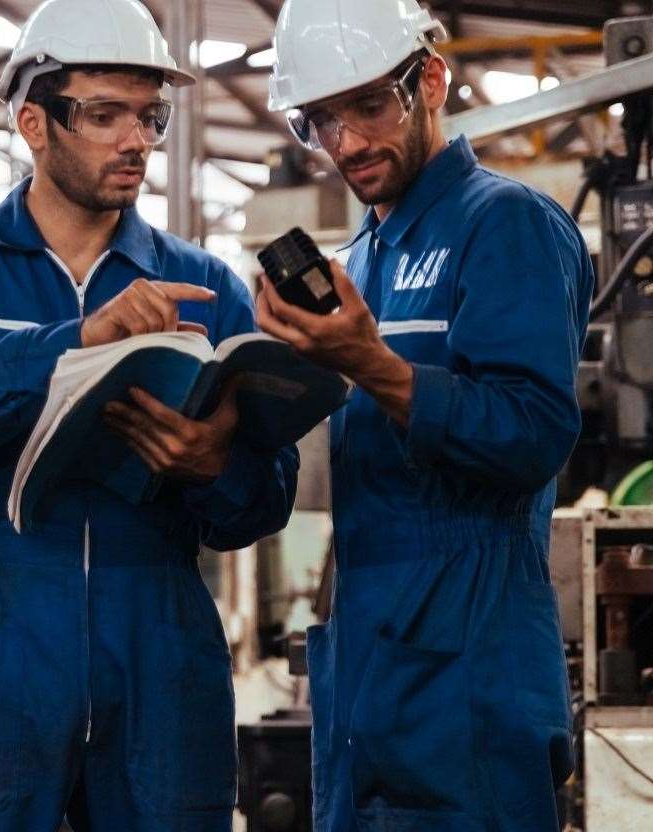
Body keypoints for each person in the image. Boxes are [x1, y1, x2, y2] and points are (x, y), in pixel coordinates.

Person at [0, 0, 299, 828]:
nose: (136, 141)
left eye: (150, 117)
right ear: (35, 122)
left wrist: (213, 465)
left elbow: (263, 499)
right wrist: (74, 344)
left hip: (160, 643)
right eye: (105, 115)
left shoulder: (202, 287)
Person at [258, 1, 593, 830]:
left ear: (431, 80)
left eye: (369, 105)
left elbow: (533, 434)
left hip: (471, 661)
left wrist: (371, 363)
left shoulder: (505, 222)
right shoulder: (361, 260)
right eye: (321, 121)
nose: (348, 144)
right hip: (372, 661)